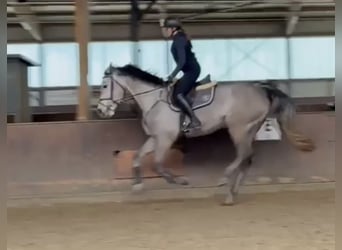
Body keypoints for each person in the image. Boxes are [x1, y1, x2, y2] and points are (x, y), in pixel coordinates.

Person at [160, 17, 202, 131]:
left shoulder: (179, 40)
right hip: (188, 70)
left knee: (178, 94)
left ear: (173, 28)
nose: (166, 31)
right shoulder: (178, 38)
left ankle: (194, 120)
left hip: (192, 71)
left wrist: (172, 76)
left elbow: (182, 62)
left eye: (167, 28)